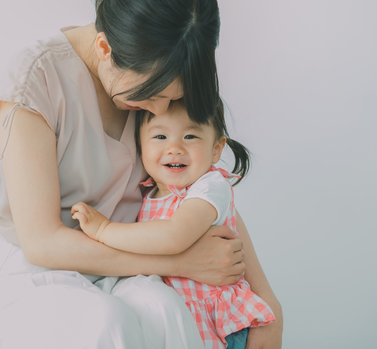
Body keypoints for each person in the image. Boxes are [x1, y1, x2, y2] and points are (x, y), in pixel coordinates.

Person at [0, 0, 283, 349]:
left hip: (118, 271)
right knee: (104, 321)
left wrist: (267, 303)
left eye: (171, 97)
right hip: (24, 270)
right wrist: (180, 262)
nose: (160, 110)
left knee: (166, 310)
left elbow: (201, 189)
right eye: (150, 95)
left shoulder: (158, 75)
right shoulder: (36, 78)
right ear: (105, 47)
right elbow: (41, 243)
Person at [72, 99, 275, 349]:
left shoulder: (210, 187)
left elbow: (174, 237)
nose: (175, 148)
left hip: (219, 322)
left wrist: (104, 230)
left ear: (216, 149)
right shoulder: (144, 195)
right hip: (179, 319)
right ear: (140, 147)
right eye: (160, 136)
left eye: (190, 136)